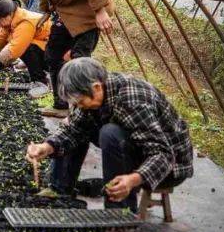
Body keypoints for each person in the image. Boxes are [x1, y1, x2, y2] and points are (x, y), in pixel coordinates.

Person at [24, 58, 193, 210]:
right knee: (76, 124)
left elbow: (163, 155)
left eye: (81, 101)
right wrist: (46, 147)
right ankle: (59, 189)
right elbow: (74, 129)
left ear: (96, 87)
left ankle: (119, 209)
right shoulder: (99, 93)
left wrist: (132, 180)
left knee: (110, 133)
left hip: (170, 169)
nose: (80, 106)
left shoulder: (132, 99)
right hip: (139, 149)